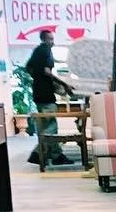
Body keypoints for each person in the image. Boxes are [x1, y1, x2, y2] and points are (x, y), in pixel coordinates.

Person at [25, 31, 79, 166]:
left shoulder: (36, 51)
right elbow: (47, 72)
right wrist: (64, 84)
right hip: (46, 95)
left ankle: (56, 155)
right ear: (44, 39)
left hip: (37, 93)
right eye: (50, 39)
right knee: (52, 128)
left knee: (46, 126)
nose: (52, 41)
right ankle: (37, 153)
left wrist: (38, 79)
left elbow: (29, 67)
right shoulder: (46, 51)